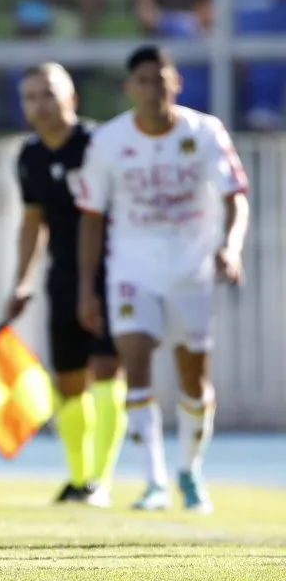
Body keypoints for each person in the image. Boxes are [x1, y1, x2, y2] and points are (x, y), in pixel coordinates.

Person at [75, 45, 250, 513]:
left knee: (194, 380)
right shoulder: (109, 142)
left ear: (177, 83)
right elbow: (91, 217)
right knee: (136, 364)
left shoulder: (205, 131)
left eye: (162, 79)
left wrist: (230, 248)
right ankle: (153, 481)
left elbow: (236, 197)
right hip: (131, 270)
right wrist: (87, 288)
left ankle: (190, 471)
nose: (155, 89)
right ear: (130, 88)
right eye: (145, 80)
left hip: (192, 269)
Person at [6, 63, 125, 507]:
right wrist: (21, 282)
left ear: (71, 98)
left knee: (108, 368)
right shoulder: (30, 157)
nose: (39, 103)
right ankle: (78, 479)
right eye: (30, 96)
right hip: (63, 277)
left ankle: (100, 480)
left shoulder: (99, 145)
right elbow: (32, 223)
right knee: (70, 379)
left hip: (114, 273)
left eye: (48, 93)